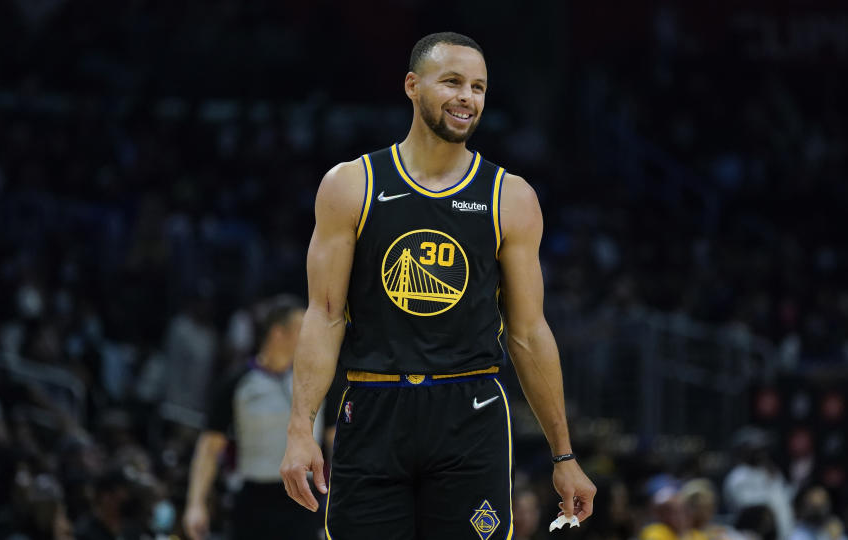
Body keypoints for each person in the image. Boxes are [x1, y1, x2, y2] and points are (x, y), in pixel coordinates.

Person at [279, 31, 596, 539]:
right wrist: (300, 430)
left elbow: (529, 333)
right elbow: (325, 314)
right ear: (412, 85)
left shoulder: (510, 197)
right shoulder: (350, 185)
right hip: (374, 406)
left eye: (478, 86)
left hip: (470, 414)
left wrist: (564, 454)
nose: (467, 97)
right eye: (452, 82)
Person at [184, 295, 323, 540]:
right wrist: (196, 504)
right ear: (278, 333)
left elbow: (337, 439)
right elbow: (209, 448)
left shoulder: (318, 381)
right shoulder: (236, 383)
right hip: (254, 501)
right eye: (302, 330)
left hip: (307, 500)